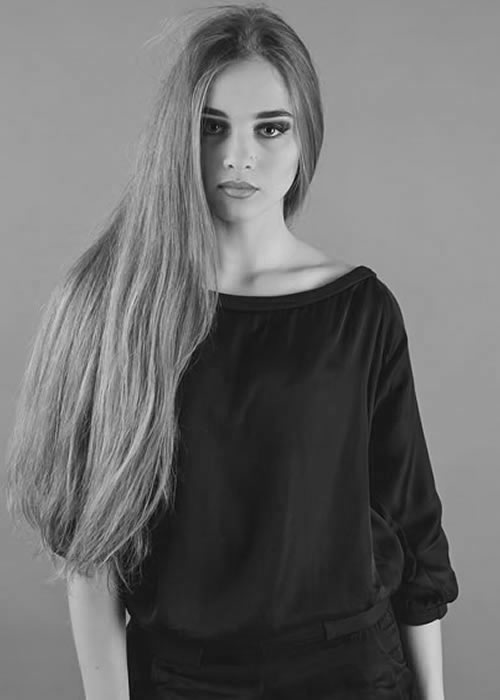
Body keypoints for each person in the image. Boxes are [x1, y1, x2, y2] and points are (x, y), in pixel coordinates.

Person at [5, 4, 459, 699]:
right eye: (210, 127)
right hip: (182, 681)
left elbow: (411, 525)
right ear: (177, 136)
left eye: (270, 128)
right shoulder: (114, 305)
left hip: (355, 676)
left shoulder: (360, 311)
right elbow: (91, 554)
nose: (238, 156)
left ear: (307, 136)